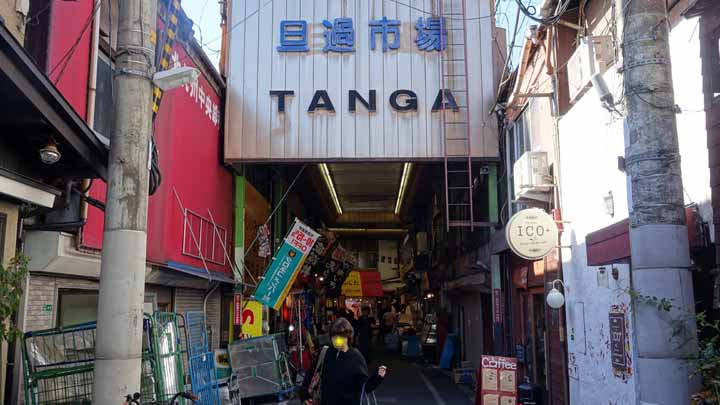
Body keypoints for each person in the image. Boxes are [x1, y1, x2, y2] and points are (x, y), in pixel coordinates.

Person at [301, 318, 387, 405]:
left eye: (340, 337)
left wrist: (377, 377)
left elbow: (364, 387)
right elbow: (310, 374)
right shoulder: (325, 352)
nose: (336, 341)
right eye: (333, 337)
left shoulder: (356, 357)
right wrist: (305, 396)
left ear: (347, 337)